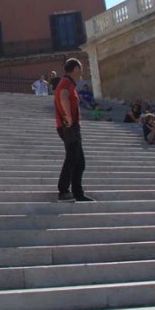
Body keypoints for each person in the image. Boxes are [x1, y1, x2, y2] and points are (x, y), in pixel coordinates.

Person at [53, 58, 94, 203]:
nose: (82, 70)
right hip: (69, 126)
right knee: (72, 158)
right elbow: (64, 96)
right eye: (81, 67)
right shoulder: (66, 82)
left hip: (69, 126)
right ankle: (63, 191)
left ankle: (78, 193)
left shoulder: (69, 83)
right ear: (75, 68)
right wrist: (69, 116)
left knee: (79, 161)